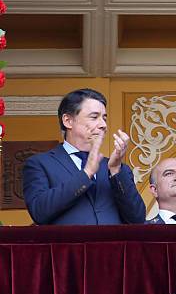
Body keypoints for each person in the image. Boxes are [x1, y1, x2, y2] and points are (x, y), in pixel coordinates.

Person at [22, 88, 146, 225]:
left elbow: (137, 219)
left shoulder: (114, 167)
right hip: (67, 246)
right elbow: (39, 212)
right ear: (68, 121)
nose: (103, 125)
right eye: (94, 117)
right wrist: (86, 173)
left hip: (112, 246)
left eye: (104, 118)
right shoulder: (40, 163)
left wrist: (116, 170)